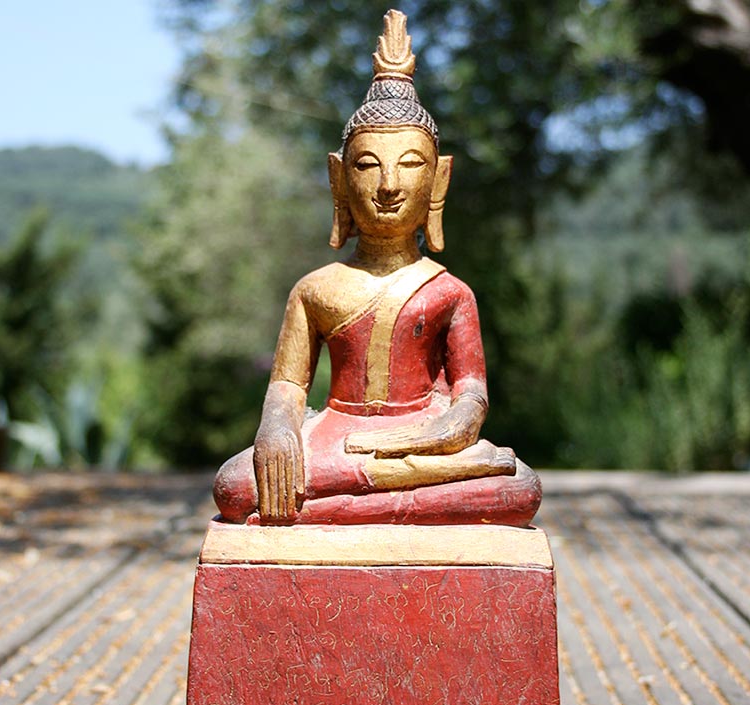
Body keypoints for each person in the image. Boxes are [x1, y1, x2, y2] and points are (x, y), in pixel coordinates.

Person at [214, 10, 540, 526]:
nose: (389, 184)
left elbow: (470, 395)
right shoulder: (315, 290)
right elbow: (287, 389)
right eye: (367, 165)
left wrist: (438, 434)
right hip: (339, 436)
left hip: (424, 438)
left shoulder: (450, 292)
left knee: (518, 489)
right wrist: (277, 431)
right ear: (339, 180)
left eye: (410, 164)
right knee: (236, 487)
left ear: (439, 182)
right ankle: (393, 503)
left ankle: (337, 504)